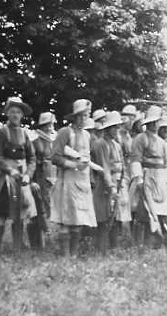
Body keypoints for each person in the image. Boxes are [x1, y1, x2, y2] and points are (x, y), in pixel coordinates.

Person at [0, 97, 37, 253]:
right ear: (7, 113)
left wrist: (28, 175)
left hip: (22, 179)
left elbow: (32, 158)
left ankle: (17, 248)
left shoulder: (24, 134)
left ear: (22, 115)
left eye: (18, 112)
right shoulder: (1, 133)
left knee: (20, 213)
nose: (15, 115)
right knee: (1, 213)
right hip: (7, 179)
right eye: (12, 112)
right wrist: (10, 170)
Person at [51, 99, 99, 256]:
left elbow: (88, 159)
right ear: (75, 117)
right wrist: (74, 164)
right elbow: (55, 157)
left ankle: (74, 254)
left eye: (87, 115)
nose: (84, 119)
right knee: (66, 220)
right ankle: (65, 255)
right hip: (68, 181)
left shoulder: (87, 135)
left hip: (82, 182)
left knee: (79, 219)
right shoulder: (65, 132)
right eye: (82, 115)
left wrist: (89, 177)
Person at [130, 106, 167, 247]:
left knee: (161, 210)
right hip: (147, 176)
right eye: (153, 122)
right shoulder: (141, 139)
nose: (155, 124)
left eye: (156, 122)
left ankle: (157, 242)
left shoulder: (164, 143)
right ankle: (139, 244)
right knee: (144, 211)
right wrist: (138, 178)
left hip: (161, 178)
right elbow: (135, 160)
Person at [91, 111, 126, 253]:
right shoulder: (100, 144)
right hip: (103, 183)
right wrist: (111, 187)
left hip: (117, 182)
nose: (117, 130)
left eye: (118, 127)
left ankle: (113, 248)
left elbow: (122, 165)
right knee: (103, 217)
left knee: (115, 216)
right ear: (107, 128)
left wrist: (121, 180)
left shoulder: (116, 145)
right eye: (114, 127)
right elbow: (104, 167)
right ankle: (101, 250)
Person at [29, 112, 57, 249]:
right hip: (39, 179)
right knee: (39, 210)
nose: (51, 127)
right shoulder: (35, 143)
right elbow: (31, 162)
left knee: (48, 209)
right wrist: (31, 181)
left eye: (52, 124)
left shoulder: (53, 142)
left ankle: (43, 244)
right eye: (48, 124)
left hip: (51, 180)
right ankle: (38, 244)